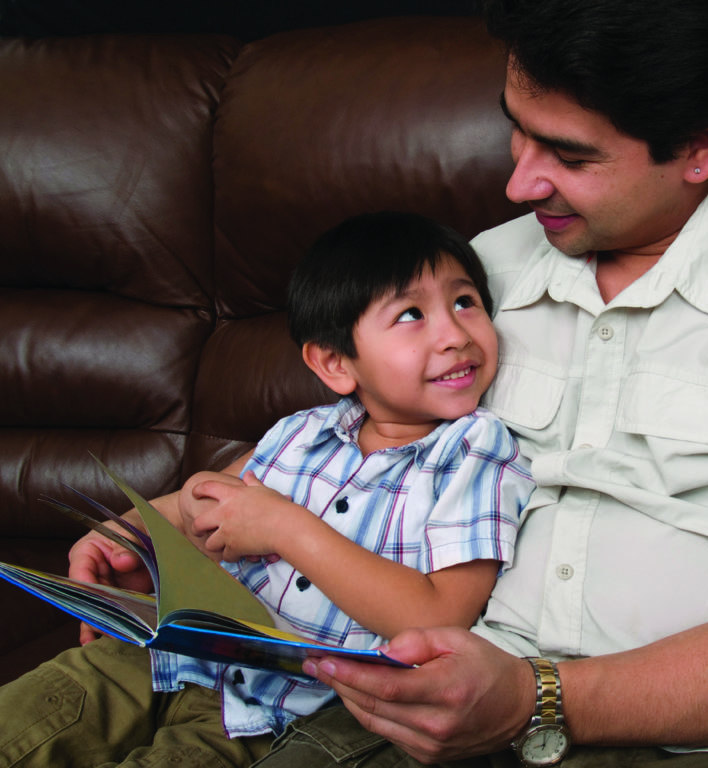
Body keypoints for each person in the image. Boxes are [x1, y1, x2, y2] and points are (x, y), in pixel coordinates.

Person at [240, 1, 708, 768]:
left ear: (697, 146)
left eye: (569, 157)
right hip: (458, 699)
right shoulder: (476, 280)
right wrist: (168, 525)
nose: (518, 182)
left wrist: (538, 696)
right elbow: (349, 452)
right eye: (517, 127)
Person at [0, 210, 534, 767]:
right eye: (410, 314)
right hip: (165, 656)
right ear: (334, 363)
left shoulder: (474, 450)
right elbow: (199, 499)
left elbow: (441, 615)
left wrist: (285, 525)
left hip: (270, 712)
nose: (454, 335)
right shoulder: (303, 431)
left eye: (465, 302)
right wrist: (124, 533)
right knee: (27, 721)